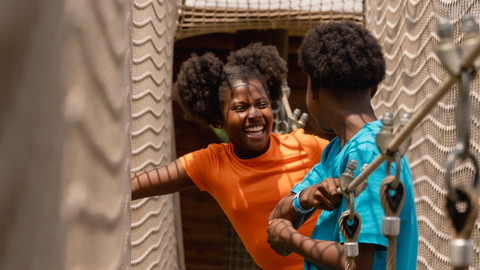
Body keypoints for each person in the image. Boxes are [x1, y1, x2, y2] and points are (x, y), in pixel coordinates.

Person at [131, 43, 332, 270]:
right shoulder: (210, 164)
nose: (255, 114)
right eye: (240, 108)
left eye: (262, 104)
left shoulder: (305, 146)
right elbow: (135, 184)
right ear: (218, 120)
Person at [267, 21, 418, 270]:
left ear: (313, 87)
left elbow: (356, 262)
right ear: (374, 88)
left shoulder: (370, 151)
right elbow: (277, 217)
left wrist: (290, 239)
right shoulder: (335, 151)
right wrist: (306, 197)